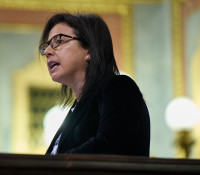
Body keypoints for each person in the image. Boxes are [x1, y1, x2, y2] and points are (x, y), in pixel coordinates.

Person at [39, 13, 150, 156]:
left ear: (89, 50)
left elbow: (112, 146)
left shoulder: (119, 87)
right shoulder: (76, 108)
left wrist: (52, 167)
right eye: (47, 45)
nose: (47, 51)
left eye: (59, 41)